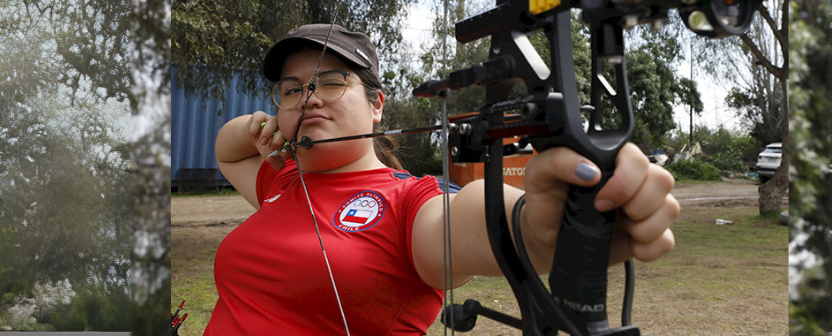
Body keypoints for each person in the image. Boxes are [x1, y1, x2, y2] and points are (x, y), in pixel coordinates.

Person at [205, 23, 680, 334]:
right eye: (291, 90)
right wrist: (255, 126)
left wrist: (550, 224)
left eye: (331, 81)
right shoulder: (284, 183)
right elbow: (228, 151)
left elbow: (469, 219)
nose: (308, 98)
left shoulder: (410, 201)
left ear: (376, 105)